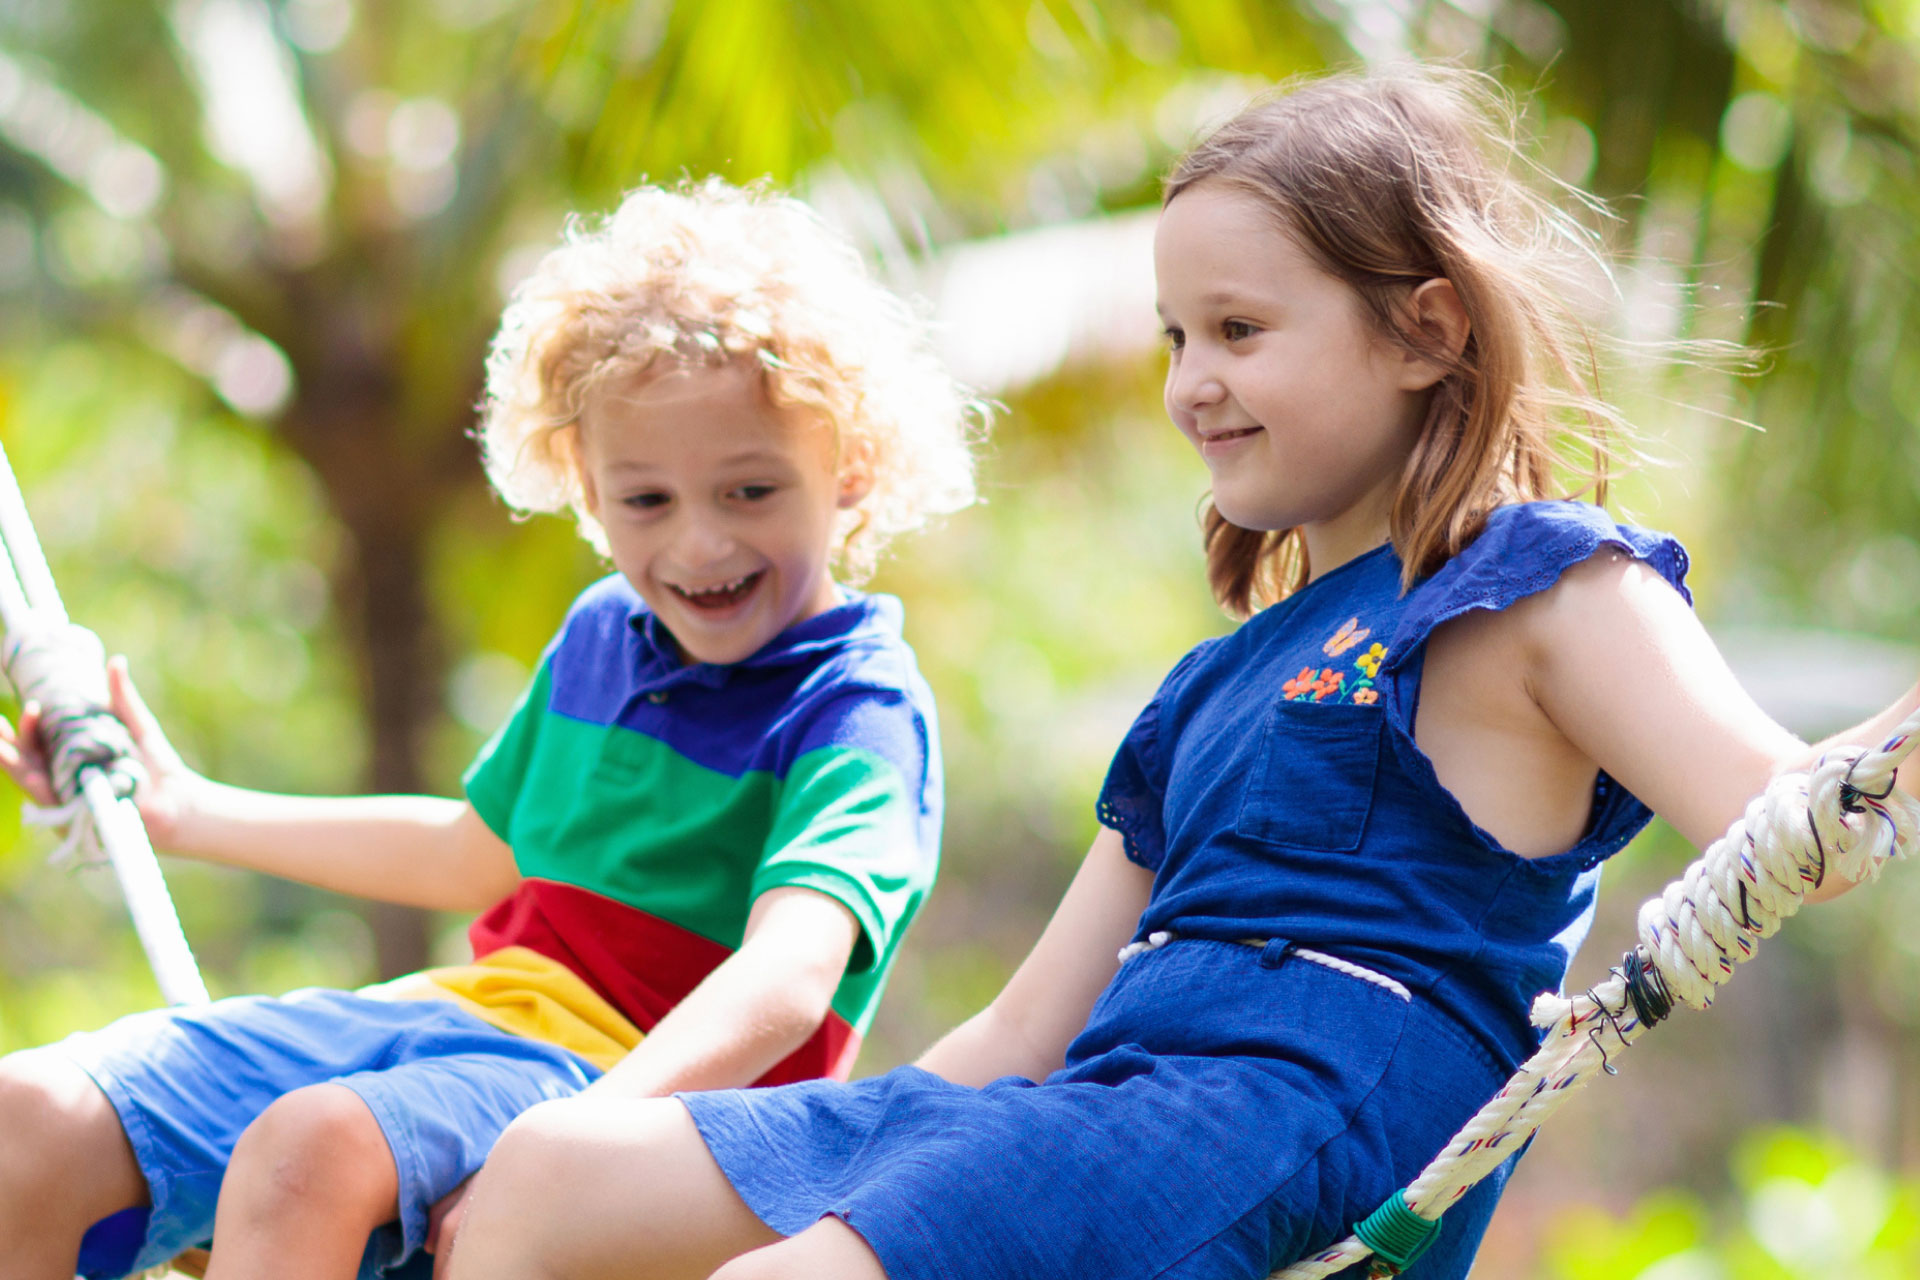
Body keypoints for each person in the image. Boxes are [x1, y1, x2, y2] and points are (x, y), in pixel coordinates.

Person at [433, 66, 1920, 1280]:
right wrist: (850, 1144)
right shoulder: (1206, 691)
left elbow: (1798, 814)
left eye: (1240, 331)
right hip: (1096, 1102)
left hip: (1294, 1103)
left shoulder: (1537, 584)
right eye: (1175, 336)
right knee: (543, 1181)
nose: (1190, 382)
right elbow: (1023, 1029)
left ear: (1426, 330)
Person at [0, 177, 981, 1280]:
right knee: (28, 1115)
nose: (700, 545)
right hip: (464, 1026)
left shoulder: (856, 706)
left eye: (749, 491)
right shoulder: (607, 633)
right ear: (587, 489)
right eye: (647, 500)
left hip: (650, 1103)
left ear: (848, 471)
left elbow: (788, 979)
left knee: (309, 1148)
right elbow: (473, 850)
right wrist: (193, 814)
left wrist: (572, 1145)